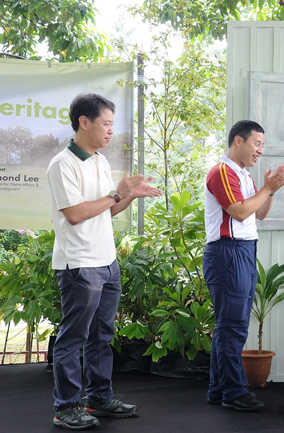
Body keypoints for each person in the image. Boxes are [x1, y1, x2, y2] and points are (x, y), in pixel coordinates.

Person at [47, 93, 162, 430]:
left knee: (102, 335)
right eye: (106, 123)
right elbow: (75, 214)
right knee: (73, 338)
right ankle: (66, 406)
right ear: (85, 122)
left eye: (113, 124)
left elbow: (106, 211)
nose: (111, 130)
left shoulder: (99, 160)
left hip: (107, 262)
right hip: (79, 265)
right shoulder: (62, 164)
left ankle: (99, 398)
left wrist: (127, 196)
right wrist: (115, 193)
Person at [203, 120, 284, 412]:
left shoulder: (243, 175)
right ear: (238, 141)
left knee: (229, 326)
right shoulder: (223, 172)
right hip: (228, 253)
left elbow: (260, 213)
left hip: (243, 250)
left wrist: (271, 190)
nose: (260, 150)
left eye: (262, 145)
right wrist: (266, 187)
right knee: (234, 327)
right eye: (257, 143)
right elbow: (239, 212)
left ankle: (219, 389)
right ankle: (234, 392)